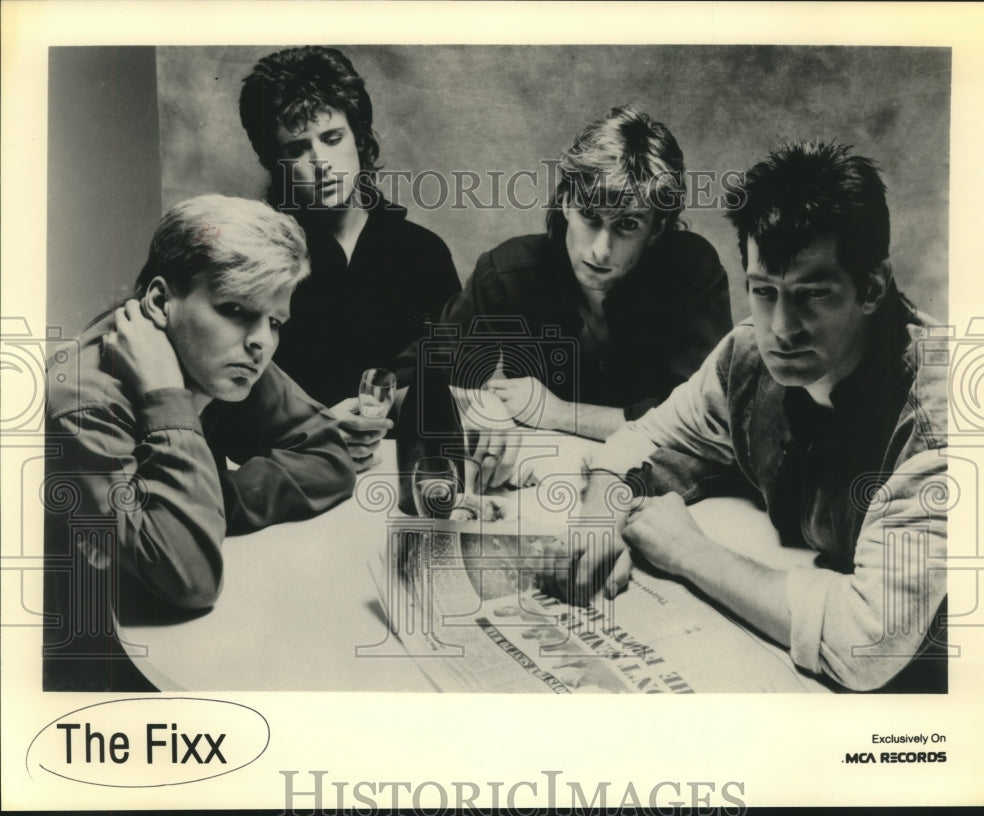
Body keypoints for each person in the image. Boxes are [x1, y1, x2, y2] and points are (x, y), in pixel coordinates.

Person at [545, 142, 949, 693]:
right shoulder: (747, 359)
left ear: (873, 286)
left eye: (814, 295)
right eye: (764, 292)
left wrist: (689, 552)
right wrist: (599, 517)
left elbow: (867, 643)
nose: (781, 328)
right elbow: (645, 440)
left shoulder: (940, 419)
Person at [43, 195, 356, 691]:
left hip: (168, 638)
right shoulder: (83, 397)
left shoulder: (218, 350)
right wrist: (167, 398)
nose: (261, 343)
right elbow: (191, 581)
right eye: (235, 309)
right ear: (160, 302)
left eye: (275, 322)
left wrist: (215, 500)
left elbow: (328, 456)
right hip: (94, 668)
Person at [419, 105, 732, 443]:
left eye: (627, 224)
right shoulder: (506, 273)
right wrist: (485, 411)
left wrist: (561, 413)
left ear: (657, 229)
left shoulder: (691, 271)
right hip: (533, 481)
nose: (600, 250)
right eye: (589, 215)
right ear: (566, 202)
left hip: (655, 480)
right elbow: (425, 382)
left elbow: (705, 421)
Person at [239, 46, 461, 471]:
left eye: (332, 138)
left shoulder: (423, 253)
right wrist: (312, 429)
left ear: (359, 136)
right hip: (292, 471)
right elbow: (228, 395)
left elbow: (450, 382)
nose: (320, 163)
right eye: (297, 149)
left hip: (409, 469)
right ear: (275, 162)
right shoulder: (256, 258)